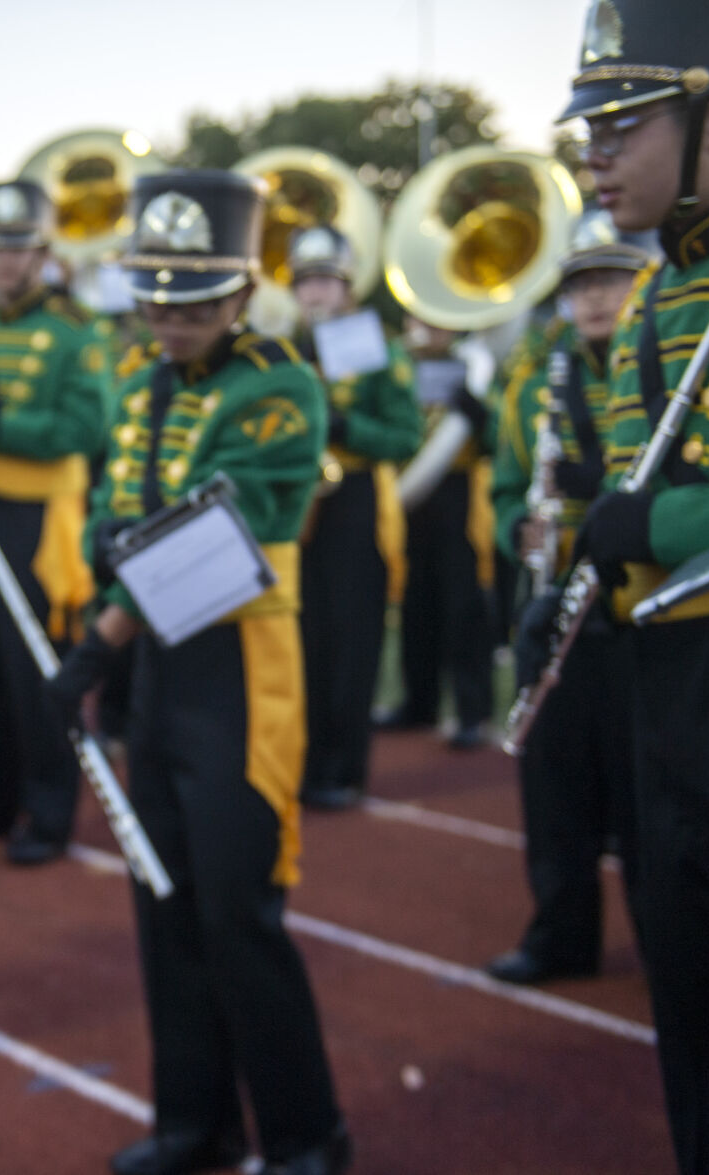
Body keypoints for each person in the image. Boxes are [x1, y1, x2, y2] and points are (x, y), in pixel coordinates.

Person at [48, 170, 351, 1175]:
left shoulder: (278, 383)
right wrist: (120, 553)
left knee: (236, 913)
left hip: (236, 668)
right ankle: (194, 1119)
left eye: (192, 299)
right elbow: (109, 516)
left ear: (238, 293)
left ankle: (306, 1133)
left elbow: (224, 538)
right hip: (159, 673)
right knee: (162, 899)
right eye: (153, 296)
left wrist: (99, 630)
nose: (167, 316)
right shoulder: (139, 387)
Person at [556, 1, 709, 1168]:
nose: (590, 154)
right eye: (585, 129)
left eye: (617, 124)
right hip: (665, 698)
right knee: (705, 1058)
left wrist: (661, 520)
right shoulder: (655, 291)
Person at [486, 211, 650, 986]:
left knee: (648, 798)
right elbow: (502, 486)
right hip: (555, 607)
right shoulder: (532, 383)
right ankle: (560, 934)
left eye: (610, 279)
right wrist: (515, 527)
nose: (594, 298)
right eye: (582, 283)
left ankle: (671, 948)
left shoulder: (662, 366)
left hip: (635, 608)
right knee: (552, 790)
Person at [0, 178, 110, 865]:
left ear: (41, 252)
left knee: (33, 668)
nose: (4, 261)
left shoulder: (73, 331)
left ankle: (49, 808)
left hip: (35, 519)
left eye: (18, 247)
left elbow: (85, 426)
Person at [287, 226, 422, 810]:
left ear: (346, 287)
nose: (315, 293)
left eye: (325, 281)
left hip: (354, 500)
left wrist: (347, 430)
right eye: (305, 282)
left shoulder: (374, 347)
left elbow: (405, 435)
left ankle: (345, 768)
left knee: (351, 638)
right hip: (298, 506)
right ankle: (306, 761)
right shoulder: (286, 347)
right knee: (304, 638)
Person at [376, 311, 497, 749]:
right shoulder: (395, 362)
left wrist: (480, 416)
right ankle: (418, 701)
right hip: (405, 494)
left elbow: (500, 436)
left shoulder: (477, 364)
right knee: (414, 601)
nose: (430, 325)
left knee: (463, 603)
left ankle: (472, 710)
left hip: (458, 492)